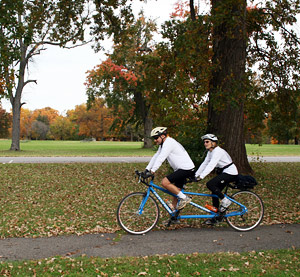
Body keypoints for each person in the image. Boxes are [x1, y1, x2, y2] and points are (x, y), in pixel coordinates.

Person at [144, 127, 195, 210]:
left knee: (165, 182)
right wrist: (147, 169)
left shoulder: (169, 143)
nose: (155, 140)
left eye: (156, 138)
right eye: (154, 138)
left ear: (163, 136)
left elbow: (161, 157)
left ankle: (185, 198)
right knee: (176, 191)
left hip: (186, 169)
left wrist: (152, 171)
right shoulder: (163, 144)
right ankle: (174, 216)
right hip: (181, 169)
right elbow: (156, 156)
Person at [195, 134, 238, 225]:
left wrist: (202, 176)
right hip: (224, 172)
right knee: (214, 193)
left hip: (230, 173)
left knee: (210, 184)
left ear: (213, 143)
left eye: (207, 142)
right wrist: (196, 175)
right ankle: (217, 217)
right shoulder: (210, 152)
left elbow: (211, 165)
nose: (205, 144)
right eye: (204, 142)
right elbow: (205, 163)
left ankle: (226, 201)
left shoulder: (217, 151)